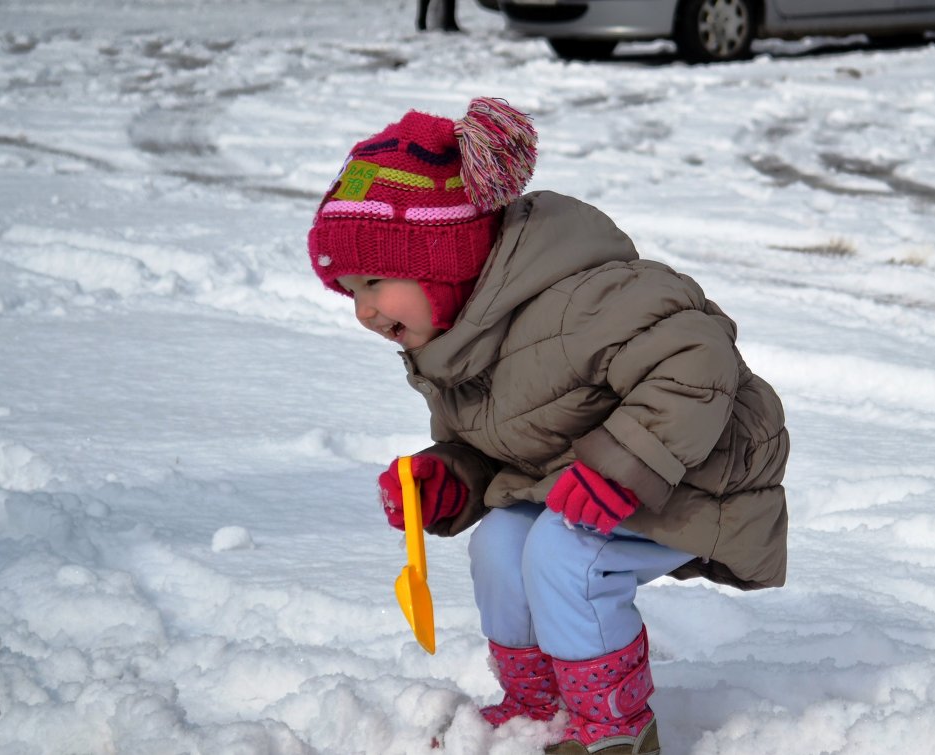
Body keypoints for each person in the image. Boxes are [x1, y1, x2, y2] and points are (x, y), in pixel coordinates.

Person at [306, 98, 789, 755]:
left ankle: (615, 730)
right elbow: (497, 447)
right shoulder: (455, 348)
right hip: (582, 480)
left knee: (569, 553)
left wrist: (624, 462)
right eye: (350, 292)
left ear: (446, 258)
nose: (363, 310)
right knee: (501, 542)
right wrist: (451, 479)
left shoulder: (577, 299)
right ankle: (539, 706)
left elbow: (697, 358)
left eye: (376, 281)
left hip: (700, 465)